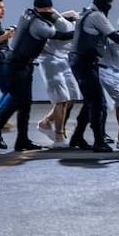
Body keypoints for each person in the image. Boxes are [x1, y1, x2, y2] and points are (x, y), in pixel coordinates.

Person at [0, 0, 74, 150]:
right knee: (17, 101)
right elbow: (61, 35)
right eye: (49, 10)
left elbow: (49, 21)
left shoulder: (29, 13)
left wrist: (62, 16)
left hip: (22, 64)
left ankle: (22, 140)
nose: (50, 13)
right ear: (44, 9)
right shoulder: (39, 25)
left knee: (25, 104)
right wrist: (78, 29)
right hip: (17, 65)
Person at [68, 0, 119, 152]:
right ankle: (99, 141)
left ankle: (77, 136)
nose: (110, 6)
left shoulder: (85, 12)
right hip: (84, 62)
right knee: (99, 103)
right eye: (109, 3)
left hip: (79, 60)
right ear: (106, 2)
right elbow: (114, 37)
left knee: (90, 102)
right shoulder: (97, 16)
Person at [35, 10, 81, 148]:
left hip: (63, 59)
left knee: (73, 96)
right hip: (50, 60)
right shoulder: (56, 27)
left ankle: (45, 122)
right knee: (60, 99)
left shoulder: (67, 22)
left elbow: (68, 13)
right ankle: (59, 136)